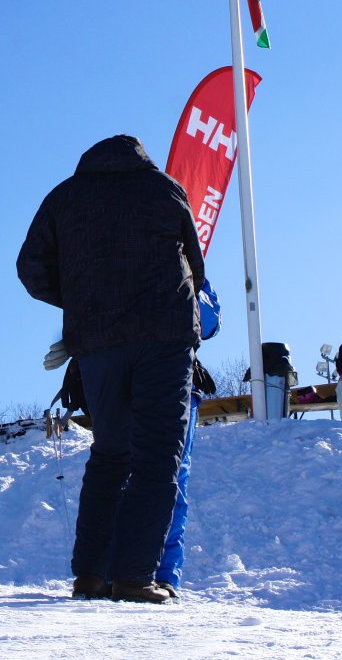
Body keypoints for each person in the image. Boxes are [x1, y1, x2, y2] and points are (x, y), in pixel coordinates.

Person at [17, 133, 203, 605]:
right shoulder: (163, 187)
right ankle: (135, 577)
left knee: (110, 453)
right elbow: (195, 267)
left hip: (97, 343)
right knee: (158, 456)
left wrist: (83, 299)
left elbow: (30, 269)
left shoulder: (63, 196)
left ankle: (92, 577)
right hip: (163, 336)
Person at [154, 280, 221, 601]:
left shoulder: (196, 273)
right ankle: (122, 569)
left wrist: (190, 283)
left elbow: (208, 323)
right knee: (122, 472)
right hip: (129, 378)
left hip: (181, 383)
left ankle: (166, 575)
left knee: (174, 479)